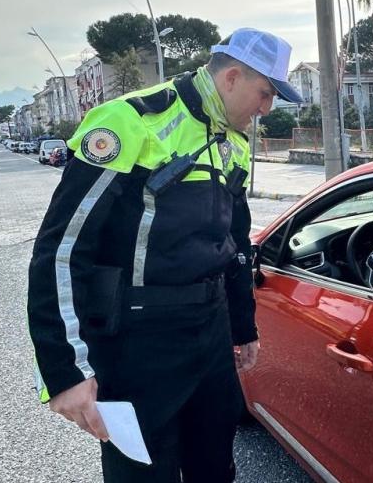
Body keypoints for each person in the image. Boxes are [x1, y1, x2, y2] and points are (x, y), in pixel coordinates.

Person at [27, 28, 303, 482]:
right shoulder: (129, 121)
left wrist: (242, 326)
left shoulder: (233, 142)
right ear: (232, 77)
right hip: (138, 342)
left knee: (216, 468)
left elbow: (234, 245)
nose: (266, 109)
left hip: (211, 334)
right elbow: (62, 249)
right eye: (265, 93)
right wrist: (64, 371)